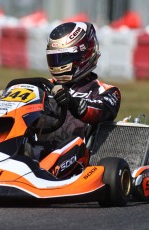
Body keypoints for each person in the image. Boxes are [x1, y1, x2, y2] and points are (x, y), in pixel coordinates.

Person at [33, 22, 121, 179]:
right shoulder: (41, 87)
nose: (58, 64)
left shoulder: (106, 91)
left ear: (85, 55)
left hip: (78, 157)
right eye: (55, 58)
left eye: (64, 57)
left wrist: (71, 102)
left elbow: (103, 111)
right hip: (36, 151)